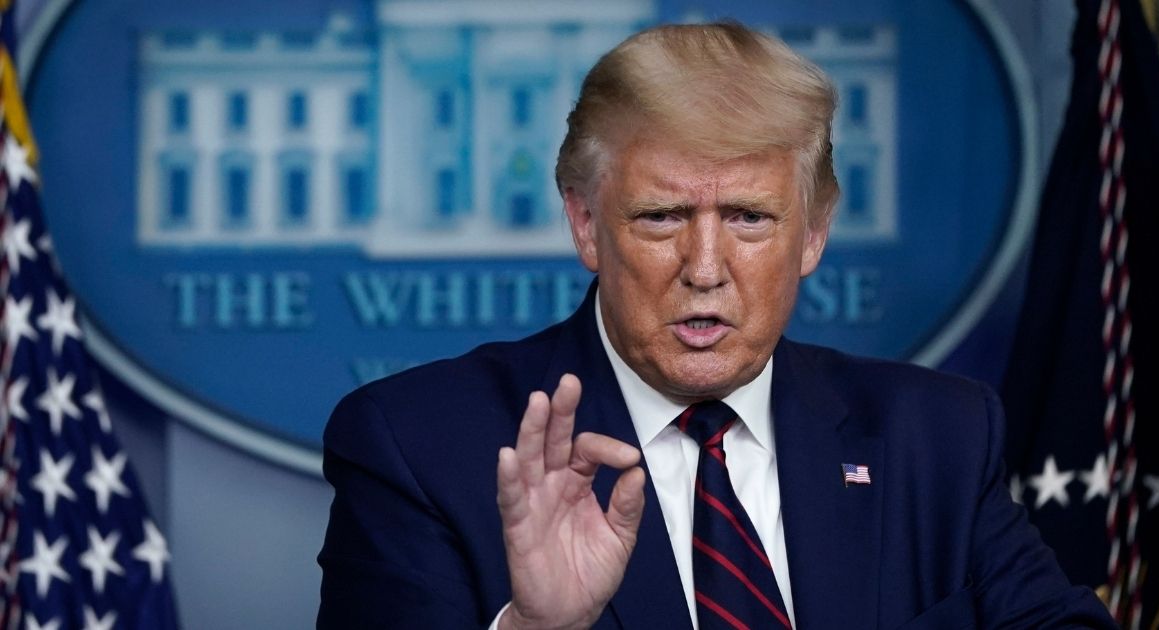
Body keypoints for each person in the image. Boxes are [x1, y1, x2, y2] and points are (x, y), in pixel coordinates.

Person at [318, 22, 1116, 629]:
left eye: (749, 217)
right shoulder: (417, 446)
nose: (705, 267)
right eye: (662, 217)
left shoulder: (936, 436)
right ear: (586, 225)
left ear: (813, 232)